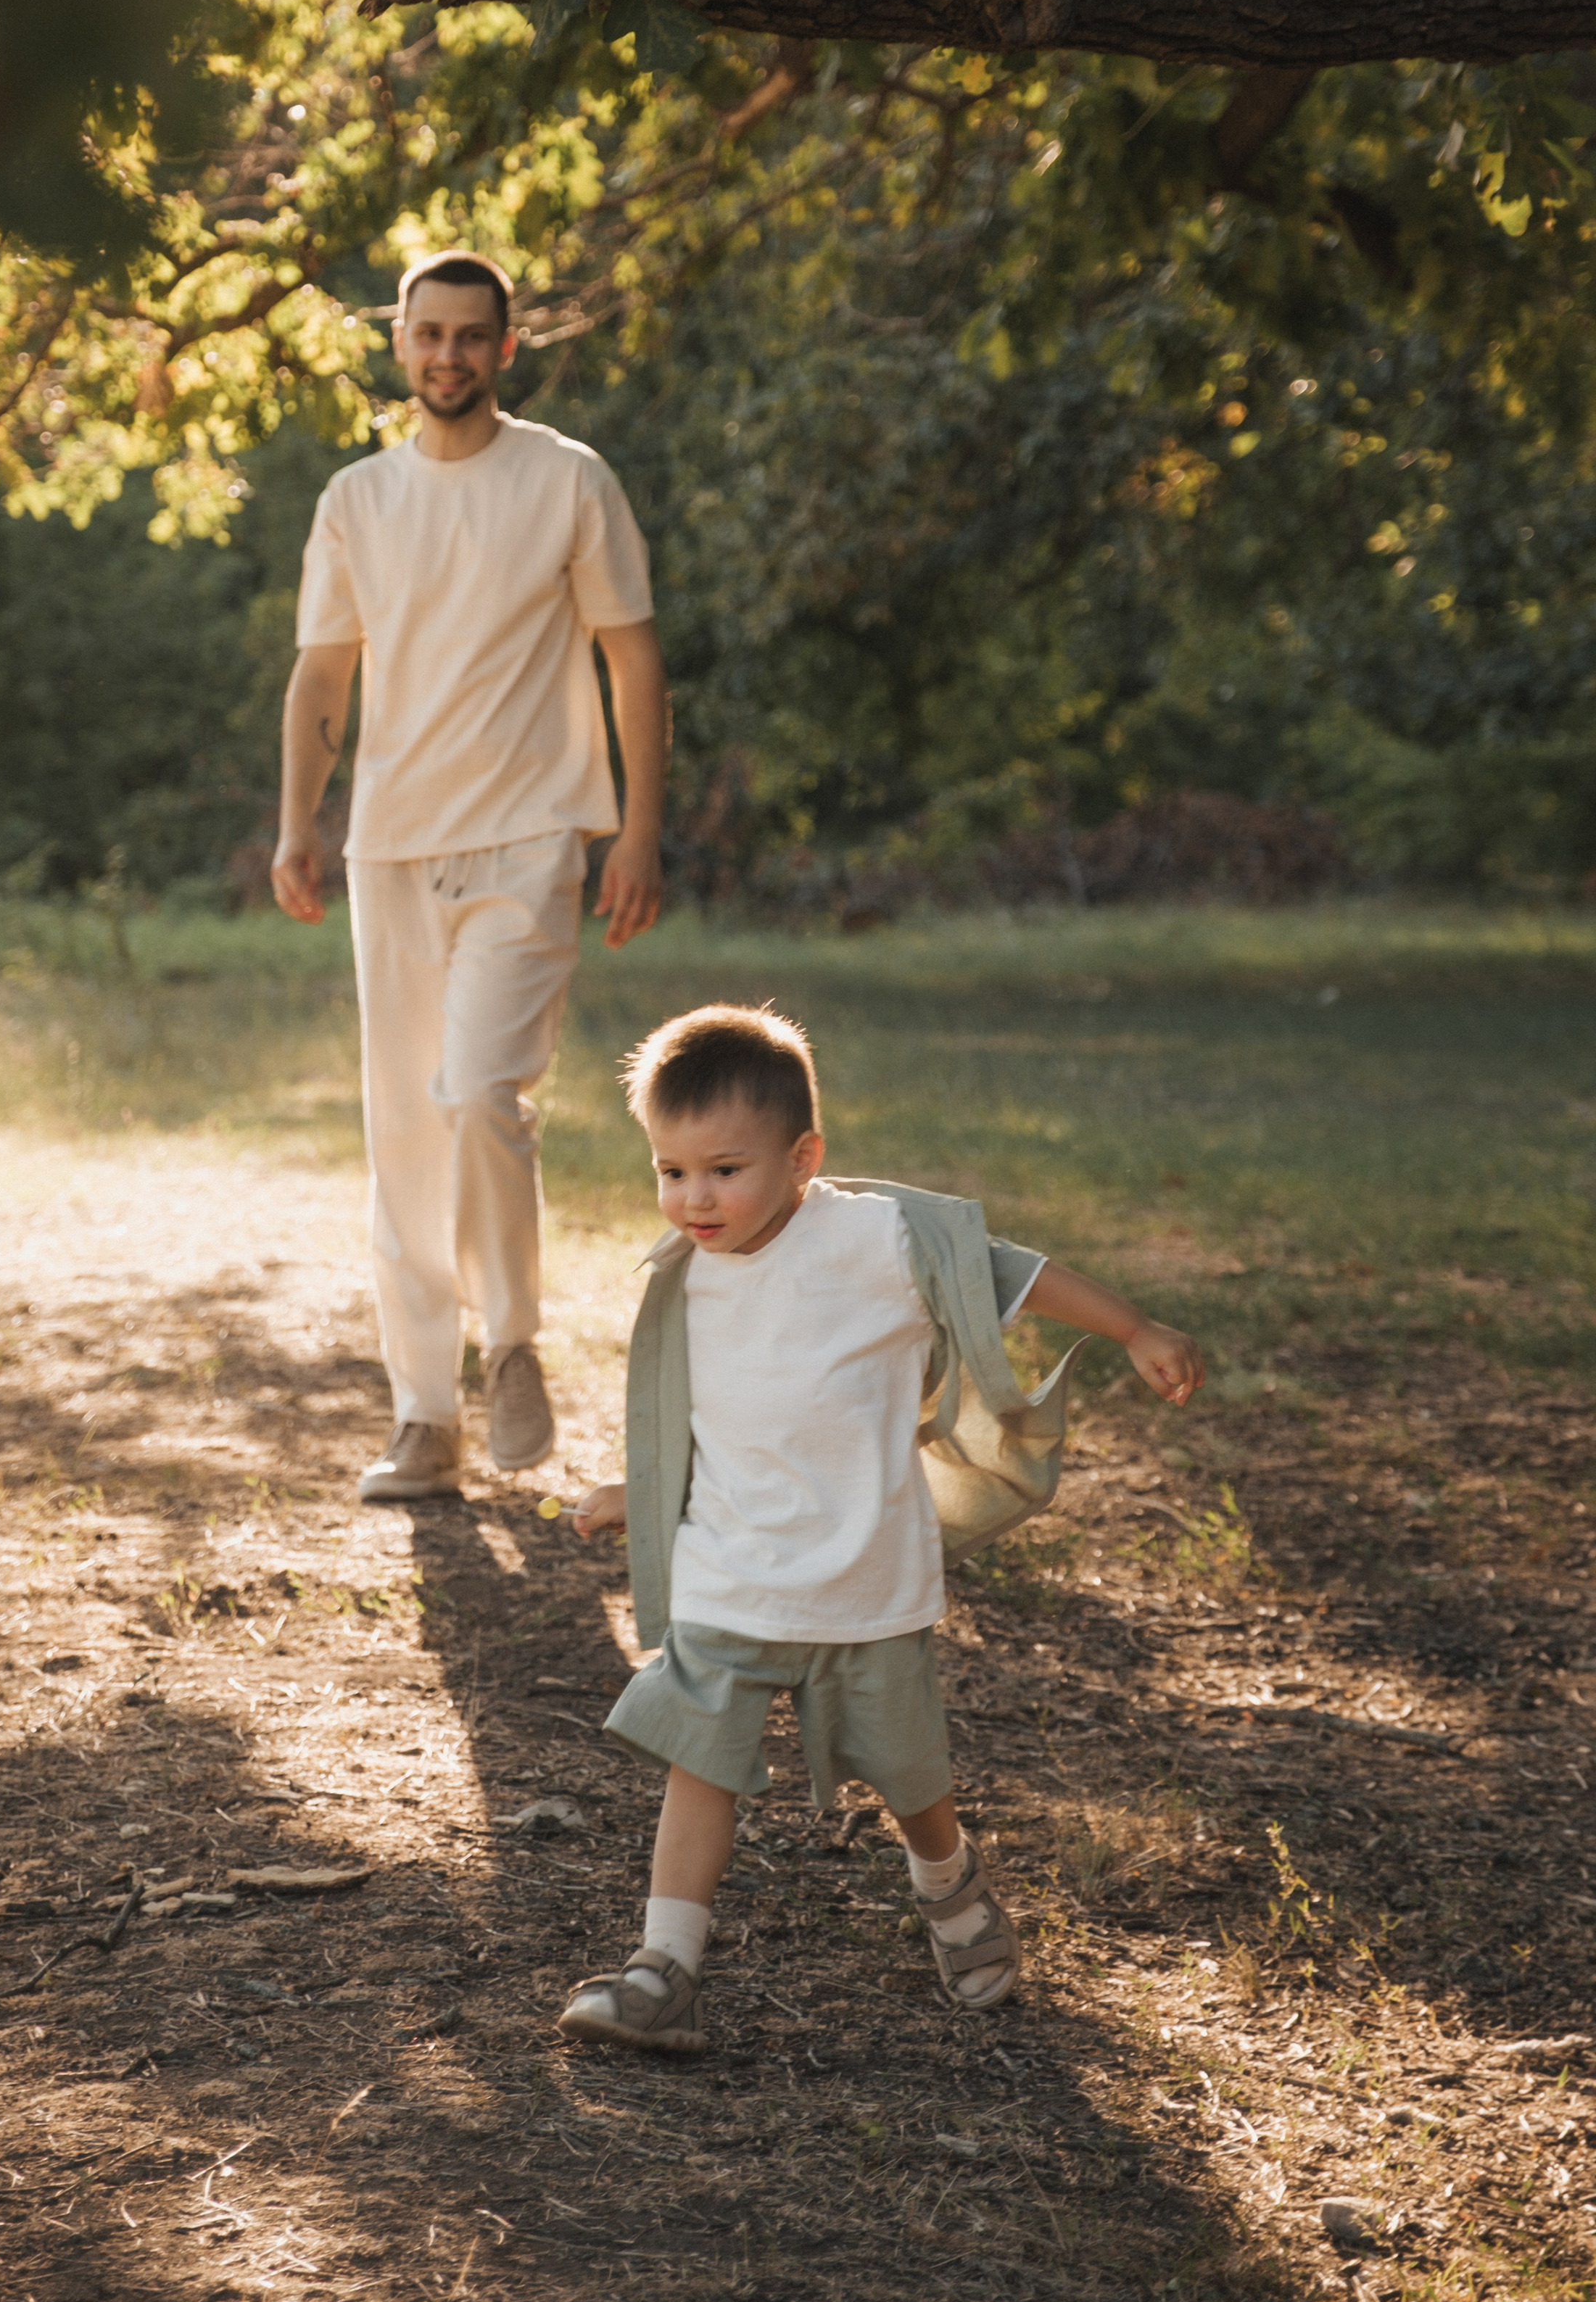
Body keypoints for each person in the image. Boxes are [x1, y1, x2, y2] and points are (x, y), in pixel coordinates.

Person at [561, 1002, 1203, 2053]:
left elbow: (1012, 1273)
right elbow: (694, 1417)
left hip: (862, 1571)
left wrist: (1136, 1327)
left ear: (803, 1156)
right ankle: (665, 1965)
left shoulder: (878, 1241)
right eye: (670, 1172)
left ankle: (948, 1886)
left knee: (909, 1773)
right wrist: (635, 1493)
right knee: (700, 1755)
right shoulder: (682, 1278)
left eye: (724, 1169)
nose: (693, 1198)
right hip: (732, 1573)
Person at [271, 250, 669, 1502]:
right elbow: (323, 677)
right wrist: (296, 824)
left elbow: (634, 663)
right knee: (404, 1127)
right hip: (390, 845)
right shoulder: (356, 500)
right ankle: (423, 1415)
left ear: (507, 347)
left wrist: (641, 829)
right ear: (401, 344)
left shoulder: (567, 480)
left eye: (471, 337)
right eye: (427, 334)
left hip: (535, 836)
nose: (447, 355)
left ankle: (512, 1343)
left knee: (480, 1091)